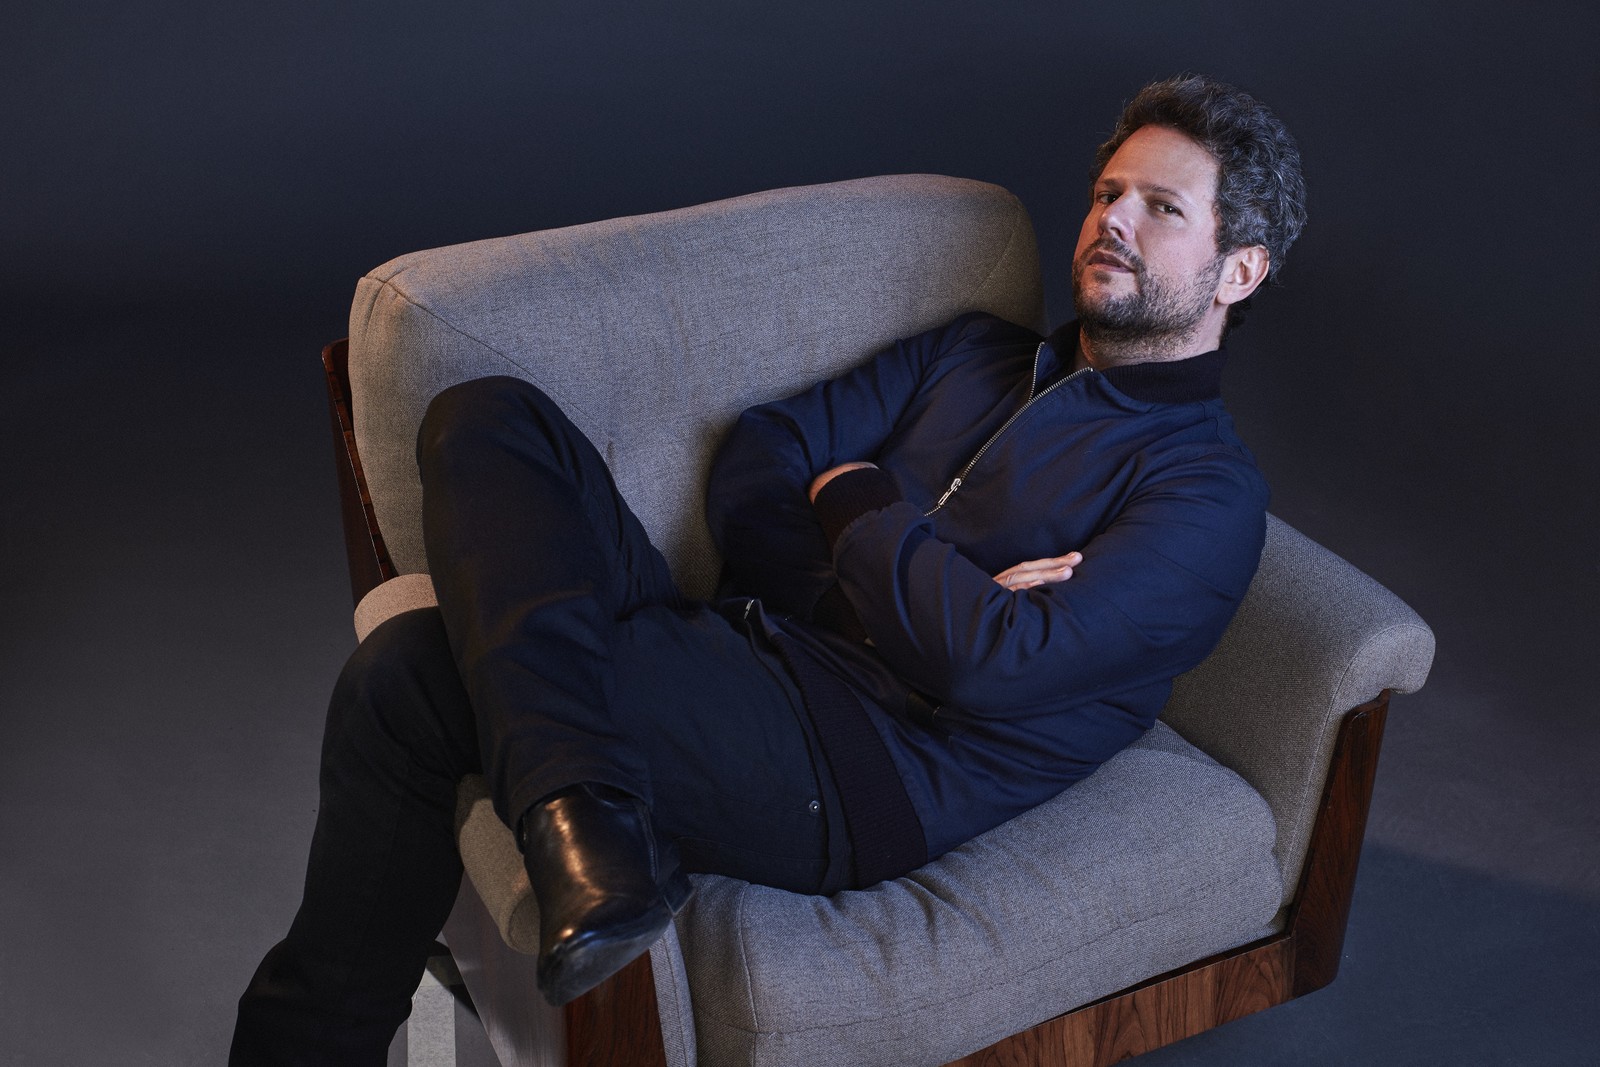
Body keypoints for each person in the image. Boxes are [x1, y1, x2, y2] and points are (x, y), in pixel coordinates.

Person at [230, 72, 1307, 1064]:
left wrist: (856, 497)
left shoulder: (1206, 494)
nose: (1113, 219)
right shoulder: (975, 353)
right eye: (1108, 192)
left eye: (1162, 208)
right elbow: (761, 456)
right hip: (745, 641)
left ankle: (553, 838)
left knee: (407, 675)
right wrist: (893, 589)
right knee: (485, 413)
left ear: (1241, 269)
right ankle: (591, 818)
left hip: (850, 765)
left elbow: (992, 663)